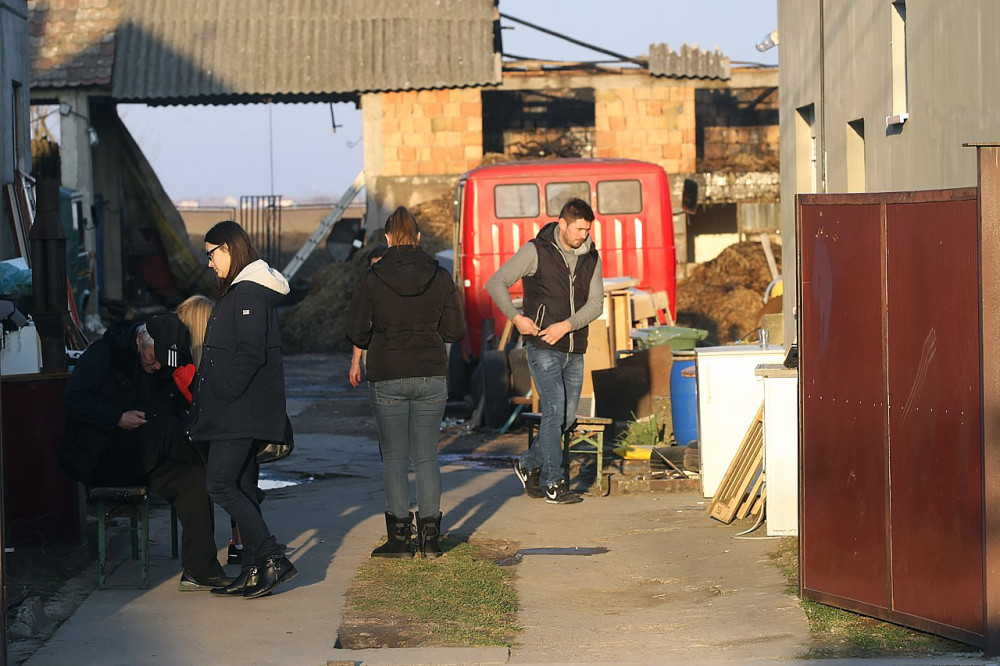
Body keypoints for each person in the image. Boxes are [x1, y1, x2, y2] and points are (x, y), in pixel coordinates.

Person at [59, 313, 231, 591]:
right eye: (154, 356)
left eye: (164, 359)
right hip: (103, 457)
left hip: (146, 454)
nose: (158, 363)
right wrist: (116, 417)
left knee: (194, 478)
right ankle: (224, 475)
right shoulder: (105, 354)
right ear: (140, 339)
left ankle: (201, 569)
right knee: (167, 428)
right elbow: (73, 399)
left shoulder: (160, 366)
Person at [345, 207, 465, 558]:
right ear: (418, 237)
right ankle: (430, 540)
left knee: (395, 459)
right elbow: (455, 331)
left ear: (386, 239)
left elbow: (355, 330)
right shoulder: (440, 276)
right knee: (427, 457)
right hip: (430, 372)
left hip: (387, 374)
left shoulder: (372, 277)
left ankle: (399, 540)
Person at [187, 220, 296, 599]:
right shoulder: (240, 292)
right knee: (242, 486)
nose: (209, 262)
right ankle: (253, 568)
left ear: (230, 250)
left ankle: (270, 558)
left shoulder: (248, 295)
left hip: (238, 412)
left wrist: (225, 394)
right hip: (236, 411)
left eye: (211, 254)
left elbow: (249, 354)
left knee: (218, 484)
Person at [485, 197, 604, 504]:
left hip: (575, 348)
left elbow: (596, 304)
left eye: (587, 230)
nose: (584, 236)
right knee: (553, 411)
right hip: (543, 348)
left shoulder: (591, 256)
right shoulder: (535, 251)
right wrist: (516, 318)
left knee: (565, 418)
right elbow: (496, 283)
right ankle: (555, 482)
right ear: (562, 223)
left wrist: (567, 325)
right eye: (579, 229)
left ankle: (527, 465)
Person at [348, 244, 387, 388]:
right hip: (373, 353)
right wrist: (355, 362)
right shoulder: (367, 294)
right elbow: (360, 328)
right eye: (373, 267)